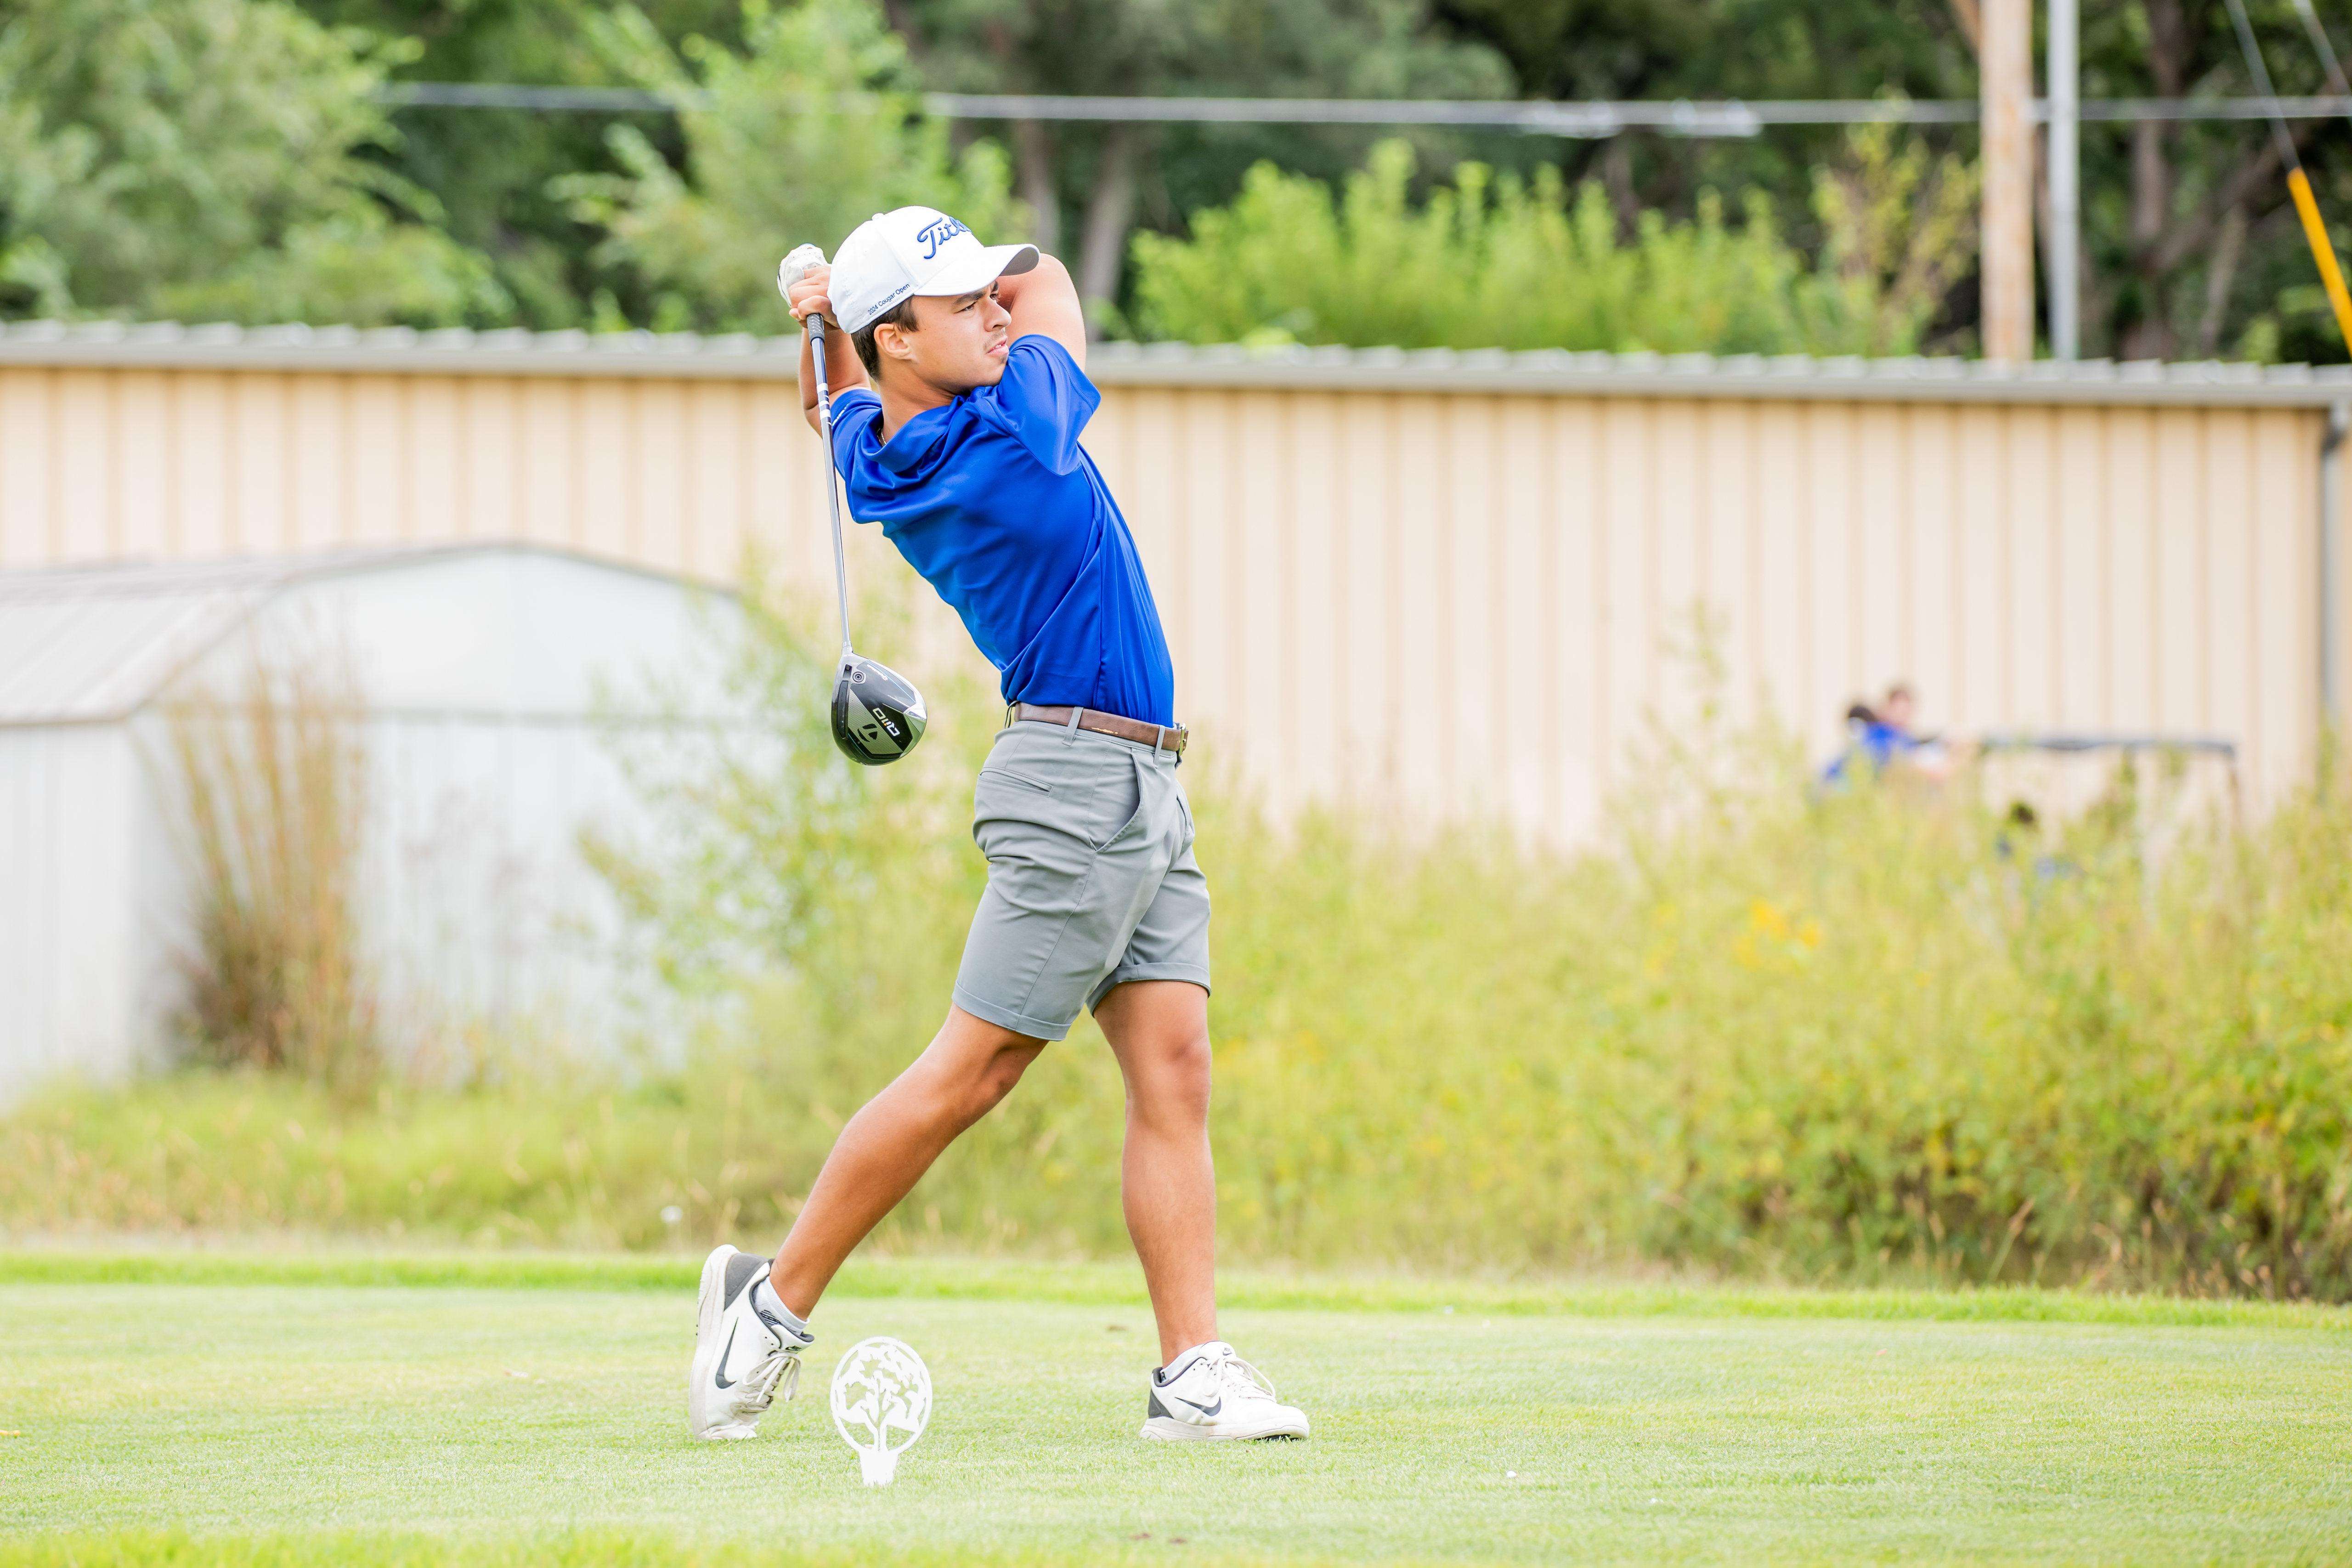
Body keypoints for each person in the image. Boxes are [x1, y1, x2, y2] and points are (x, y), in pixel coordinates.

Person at [684, 207, 1309, 1445]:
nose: (993, 311)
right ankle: (768, 1310)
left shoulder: (880, 450)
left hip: (1136, 784)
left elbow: (837, 408)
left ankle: (1192, 1372)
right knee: (974, 1073)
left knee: (1172, 1069)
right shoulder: (1022, 423)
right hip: (1077, 785)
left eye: (984, 297)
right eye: (960, 305)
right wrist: (836, 312)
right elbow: (1057, 276)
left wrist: (822, 327)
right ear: (901, 337)